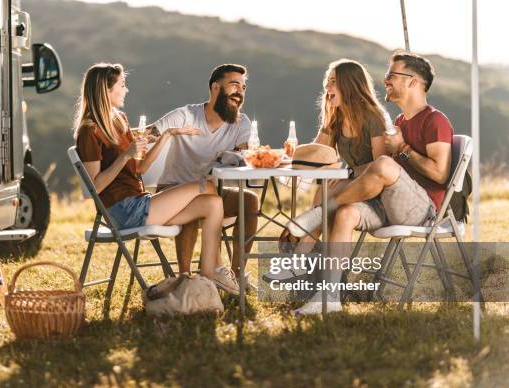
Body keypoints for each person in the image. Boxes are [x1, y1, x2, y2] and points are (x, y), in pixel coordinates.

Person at [287, 51, 453, 314]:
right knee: (345, 214)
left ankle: (318, 216)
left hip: (422, 211)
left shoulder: (435, 120)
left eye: (391, 75)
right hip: (385, 203)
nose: (385, 80)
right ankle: (328, 298)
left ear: (412, 81)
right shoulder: (399, 122)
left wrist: (405, 149)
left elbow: (441, 175)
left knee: (384, 164)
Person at [74, 63, 239, 295]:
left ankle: (208, 275)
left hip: (139, 202)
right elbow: (95, 186)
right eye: (122, 85)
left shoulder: (119, 119)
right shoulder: (89, 131)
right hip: (123, 210)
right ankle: (213, 271)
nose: (126, 90)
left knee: (213, 203)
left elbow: (140, 168)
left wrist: (168, 135)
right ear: (106, 90)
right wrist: (125, 156)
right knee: (208, 186)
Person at [265, 59, 389, 284]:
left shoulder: (373, 117)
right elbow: (317, 153)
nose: (327, 88)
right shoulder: (337, 116)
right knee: (324, 200)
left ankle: (297, 259)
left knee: (324, 200)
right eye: (327, 82)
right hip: (345, 187)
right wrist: (284, 157)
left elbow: (382, 163)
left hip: (372, 190)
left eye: (333, 82)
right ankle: (299, 262)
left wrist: (347, 173)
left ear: (349, 84)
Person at [147, 64, 259, 281]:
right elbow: (148, 135)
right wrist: (115, 130)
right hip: (173, 190)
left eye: (243, 88)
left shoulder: (240, 122)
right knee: (197, 201)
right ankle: (185, 278)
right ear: (215, 88)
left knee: (250, 201)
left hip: (212, 191)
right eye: (234, 85)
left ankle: (235, 276)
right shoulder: (185, 115)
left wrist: (239, 154)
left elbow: (248, 154)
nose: (240, 92)